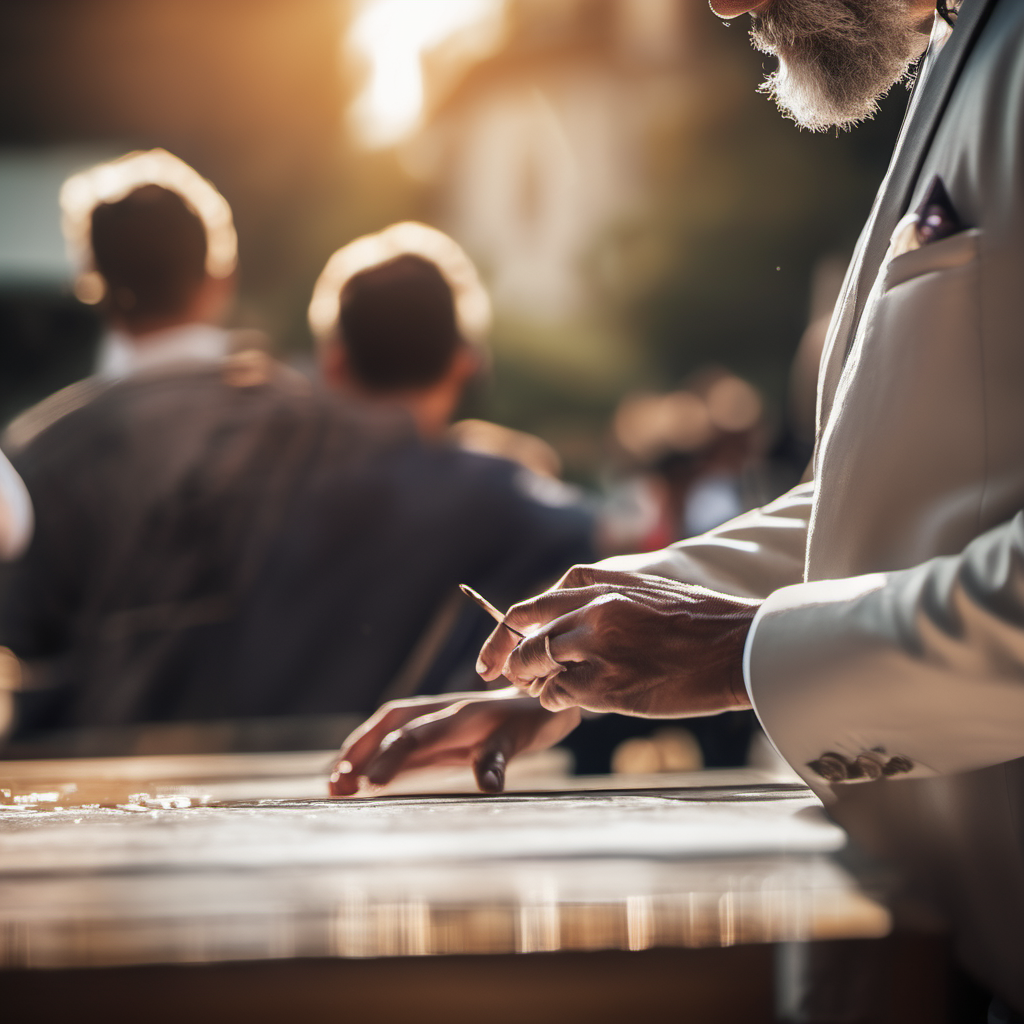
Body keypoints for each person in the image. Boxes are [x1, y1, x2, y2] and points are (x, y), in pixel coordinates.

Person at [331, 0, 1024, 1012]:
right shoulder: (968, 45)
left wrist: (743, 652)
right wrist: (592, 644)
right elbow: (887, 506)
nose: (724, 5)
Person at [0, 181, 594, 751]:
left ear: (91, 282)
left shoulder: (38, 450)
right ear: (221, 276)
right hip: (305, 760)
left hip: (88, 771)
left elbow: (21, 640)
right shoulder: (303, 422)